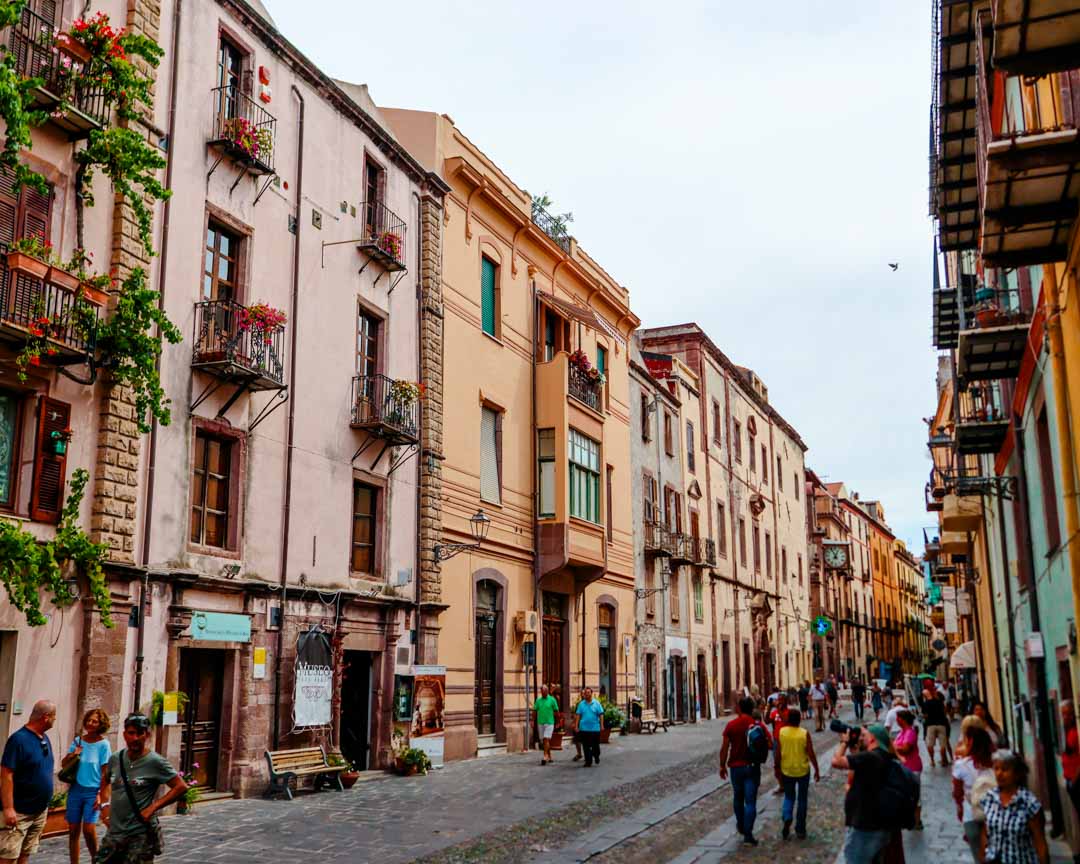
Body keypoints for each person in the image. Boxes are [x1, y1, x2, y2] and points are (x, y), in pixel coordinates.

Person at [95, 714, 186, 864]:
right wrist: (104, 807)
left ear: (147, 735)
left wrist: (153, 807)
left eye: (140, 733)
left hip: (139, 834)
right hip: (114, 833)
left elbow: (181, 786)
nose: (135, 738)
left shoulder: (156, 762)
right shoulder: (116, 759)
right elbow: (104, 782)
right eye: (131, 733)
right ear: (124, 734)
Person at [0, 700, 56, 864]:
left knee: (26, 852)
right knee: (9, 854)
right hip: (20, 811)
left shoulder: (44, 738)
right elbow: (6, 774)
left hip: (39, 810)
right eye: (53, 716)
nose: (54, 720)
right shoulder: (18, 740)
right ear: (46, 717)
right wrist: (9, 808)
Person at [832, 723, 897, 863]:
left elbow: (836, 762)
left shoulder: (871, 757)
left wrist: (844, 742)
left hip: (865, 826)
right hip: (879, 823)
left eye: (864, 735)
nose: (861, 738)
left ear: (873, 739)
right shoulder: (884, 756)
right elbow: (858, 766)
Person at [980, 750, 1050, 864]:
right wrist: (983, 856)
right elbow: (985, 832)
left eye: (1005, 769)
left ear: (1017, 774)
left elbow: (1040, 843)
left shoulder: (1029, 803)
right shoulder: (990, 798)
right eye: (996, 769)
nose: (999, 774)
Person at [719, 696, 771, 846]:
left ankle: (741, 824)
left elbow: (724, 748)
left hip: (736, 767)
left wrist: (722, 765)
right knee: (751, 801)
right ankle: (748, 834)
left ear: (739, 708)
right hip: (752, 767)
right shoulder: (757, 725)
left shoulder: (731, 725)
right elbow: (769, 744)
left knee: (738, 798)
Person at [63, 709, 112, 864]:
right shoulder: (78, 741)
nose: (90, 724)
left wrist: (101, 794)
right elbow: (64, 764)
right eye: (89, 720)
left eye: (95, 721)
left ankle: (96, 860)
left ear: (101, 724)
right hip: (76, 790)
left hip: (93, 791)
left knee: (89, 830)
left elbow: (106, 772)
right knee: (73, 830)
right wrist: (73, 754)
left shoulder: (103, 745)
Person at [952, 725, 995, 862]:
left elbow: (957, 793)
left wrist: (960, 809)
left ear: (970, 741)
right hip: (997, 813)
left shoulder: (961, 765)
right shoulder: (997, 763)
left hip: (972, 813)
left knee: (979, 857)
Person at [776, 708, 819, 840]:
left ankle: (787, 816)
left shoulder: (782, 732)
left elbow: (778, 751)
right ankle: (800, 829)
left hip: (786, 769)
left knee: (789, 796)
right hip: (802, 770)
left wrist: (776, 767)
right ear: (800, 720)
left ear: (788, 719)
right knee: (802, 799)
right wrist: (817, 769)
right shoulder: (804, 733)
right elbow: (810, 752)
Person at [893, 710, 923, 831]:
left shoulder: (910, 732)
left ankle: (917, 821)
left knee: (915, 795)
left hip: (912, 766)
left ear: (902, 720)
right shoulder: (902, 732)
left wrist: (893, 748)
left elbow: (905, 749)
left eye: (898, 718)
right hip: (904, 767)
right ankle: (910, 819)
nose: (896, 720)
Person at [1062, 702, 1080, 856]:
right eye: (1063, 714)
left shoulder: (1077, 731)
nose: (1065, 717)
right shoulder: (1066, 731)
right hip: (1069, 778)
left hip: (1076, 780)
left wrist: (1075, 779)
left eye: (1068, 713)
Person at [921, 685, 951, 767]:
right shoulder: (939, 702)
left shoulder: (925, 704)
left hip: (931, 724)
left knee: (930, 745)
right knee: (942, 745)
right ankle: (944, 760)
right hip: (941, 723)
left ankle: (932, 760)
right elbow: (944, 711)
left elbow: (925, 715)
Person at [574, 688, 603, 768]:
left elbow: (601, 714)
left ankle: (596, 755)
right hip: (584, 729)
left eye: (588, 692)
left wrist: (602, 725)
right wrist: (576, 726)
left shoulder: (597, 703)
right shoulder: (581, 704)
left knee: (595, 746)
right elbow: (578, 715)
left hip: (595, 729)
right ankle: (588, 761)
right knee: (586, 746)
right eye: (585, 693)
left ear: (591, 693)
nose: (586, 694)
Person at [533, 685, 559, 766]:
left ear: (547, 691)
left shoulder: (552, 700)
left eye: (544, 691)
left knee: (546, 739)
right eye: (541, 691)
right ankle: (550, 756)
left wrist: (558, 722)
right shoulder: (538, 700)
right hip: (540, 722)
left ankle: (545, 756)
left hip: (550, 722)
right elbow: (535, 711)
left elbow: (556, 711)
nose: (542, 693)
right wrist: (532, 721)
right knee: (544, 741)